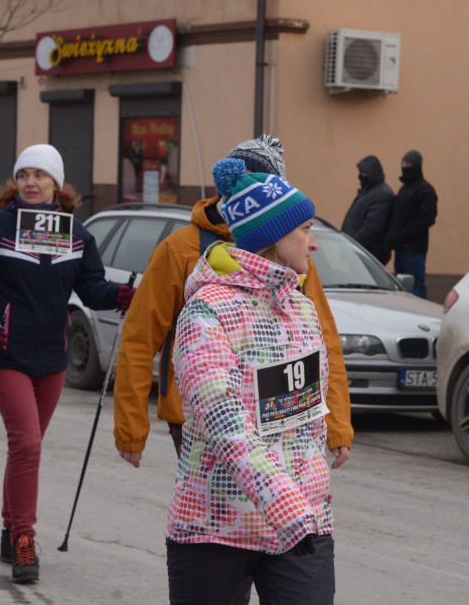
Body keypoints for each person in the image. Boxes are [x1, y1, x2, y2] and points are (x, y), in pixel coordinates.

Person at [113, 135, 352, 470]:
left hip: (278, 414)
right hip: (198, 414)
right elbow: (140, 338)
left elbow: (324, 345)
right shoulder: (180, 249)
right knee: (226, 510)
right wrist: (131, 428)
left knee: (266, 513)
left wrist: (337, 424)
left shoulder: (293, 260)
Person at [0, 143, 135, 584]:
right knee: (29, 444)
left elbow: (90, 287)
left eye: (40, 175)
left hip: (50, 357)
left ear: (57, 184)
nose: (31, 182)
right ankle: (23, 539)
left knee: (25, 447)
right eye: (24, 175)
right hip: (4, 351)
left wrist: (118, 295)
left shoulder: (76, 235)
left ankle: (7, 526)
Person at [167, 158, 335, 604]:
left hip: (301, 525)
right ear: (275, 236)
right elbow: (222, 420)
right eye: (305, 230)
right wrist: (284, 504)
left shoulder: (301, 307)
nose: (313, 244)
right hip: (216, 526)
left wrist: (310, 497)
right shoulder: (207, 311)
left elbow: (310, 411)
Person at [386, 149, 437, 299]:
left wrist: (404, 235)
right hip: (401, 247)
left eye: (408, 164)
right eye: (403, 164)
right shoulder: (404, 190)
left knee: (415, 286)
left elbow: (427, 219)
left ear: (417, 166)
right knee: (401, 286)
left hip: (414, 249)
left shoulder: (425, 190)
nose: (405, 167)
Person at [341, 154, 393, 264]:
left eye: (363, 172)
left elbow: (372, 227)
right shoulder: (369, 192)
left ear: (372, 173)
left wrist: (352, 244)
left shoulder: (381, 194)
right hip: (359, 252)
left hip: (369, 254)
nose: (361, 176)